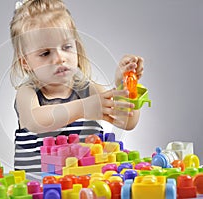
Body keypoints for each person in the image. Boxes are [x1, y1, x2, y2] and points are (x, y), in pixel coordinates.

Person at [9, 0, 144, 179]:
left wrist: (125, 86)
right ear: (25, 62)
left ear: (76, 47)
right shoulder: (28, 92)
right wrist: (84, 108)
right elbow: (35, 121)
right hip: (38, 189)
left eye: (66, 47)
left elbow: (126, 122)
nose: (60, 58)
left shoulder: (89, 90)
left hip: (90, 187)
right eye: (45, 53)